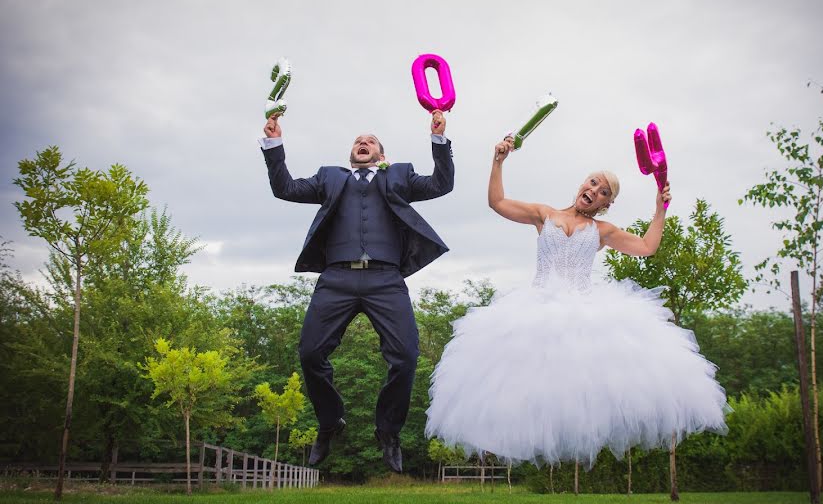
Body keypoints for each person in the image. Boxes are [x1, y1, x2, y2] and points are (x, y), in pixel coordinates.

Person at [425, 136, 728, 468]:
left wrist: (660, 208)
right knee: (519, 382)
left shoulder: (602, 230)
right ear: (583, 183)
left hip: (583, 315)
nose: (595, 190)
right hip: (536, 308)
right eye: (594, 182)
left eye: (604, 192)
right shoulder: (545, 215)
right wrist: (498, 161)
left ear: (605, 204)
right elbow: (497, 202)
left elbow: (647, 247)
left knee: (584, 387)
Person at [260, 109, 454, 473]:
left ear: (381, 154)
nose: (363, 143)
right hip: (336, 279)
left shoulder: (398, 174)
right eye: (357, 141)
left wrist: (438, 139)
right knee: (310, 353)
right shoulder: (329, 177)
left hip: (386, 280)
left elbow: (442, 184)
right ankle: (330, 422)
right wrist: (274, 143)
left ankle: (388, 432)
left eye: (371, 141)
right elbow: (284, 188)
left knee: (406, 355)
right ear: (351, 152)